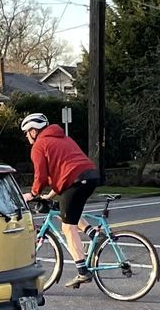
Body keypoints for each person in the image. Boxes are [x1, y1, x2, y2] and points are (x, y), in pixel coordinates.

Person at [22, 112, 101, 286]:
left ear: (34, 131)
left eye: (27, 132)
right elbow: (64, 170)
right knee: (63, 210)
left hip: (77, 181)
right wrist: (49, 195)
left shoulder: (39, 146)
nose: (27, 136)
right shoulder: (63, 138)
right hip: (90, 176)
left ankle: (82, 271)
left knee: (68, 227)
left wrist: (33, 194)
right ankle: (93, 234)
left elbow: (41, 176)